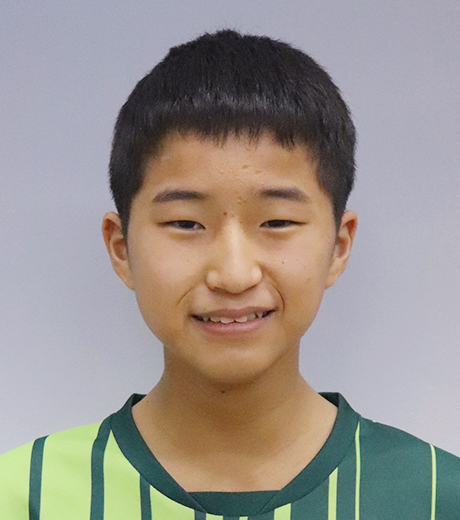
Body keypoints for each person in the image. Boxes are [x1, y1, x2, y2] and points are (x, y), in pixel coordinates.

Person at [1, 29, 459, 520]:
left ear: (338, 246)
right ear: (121, 247)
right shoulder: (25, 496)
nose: (234, 274)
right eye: (186, 224)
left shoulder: (436, 495)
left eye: (277, 222)